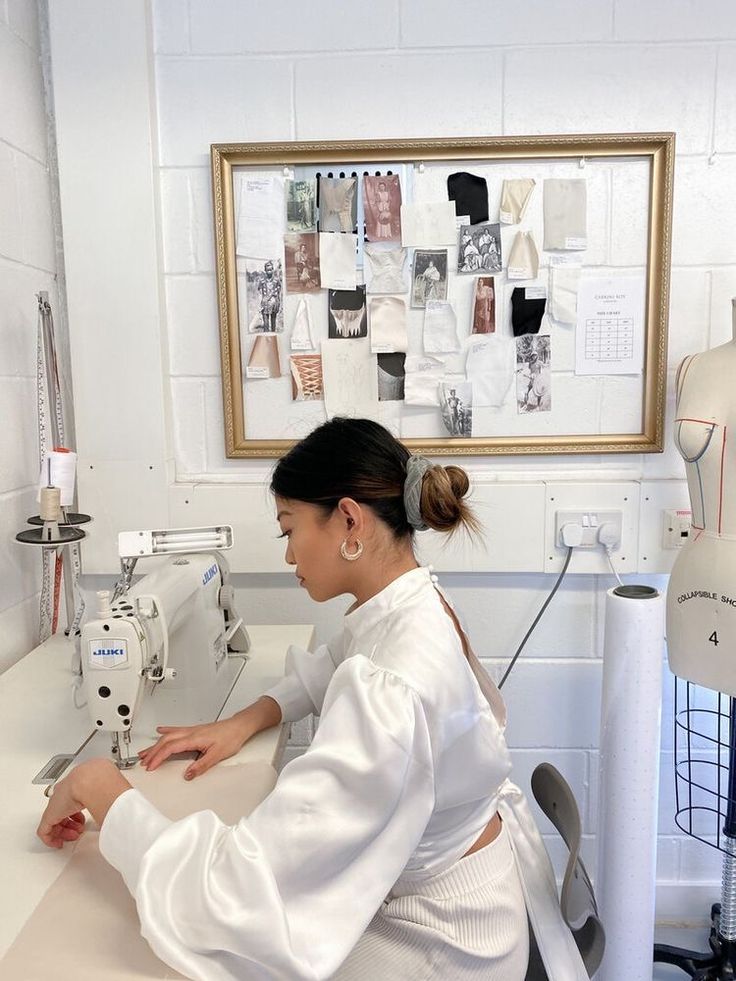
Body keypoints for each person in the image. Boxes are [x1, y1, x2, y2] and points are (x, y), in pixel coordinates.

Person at [37, 419, 586, 981]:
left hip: (447, 944)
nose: (288, 556)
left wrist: (102, 788)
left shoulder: (389, 684)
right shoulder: (412, 601)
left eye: (288, 529)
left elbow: (232, 892)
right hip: (463, 890)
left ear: (349, 520)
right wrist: (244, 721)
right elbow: (333, 666)